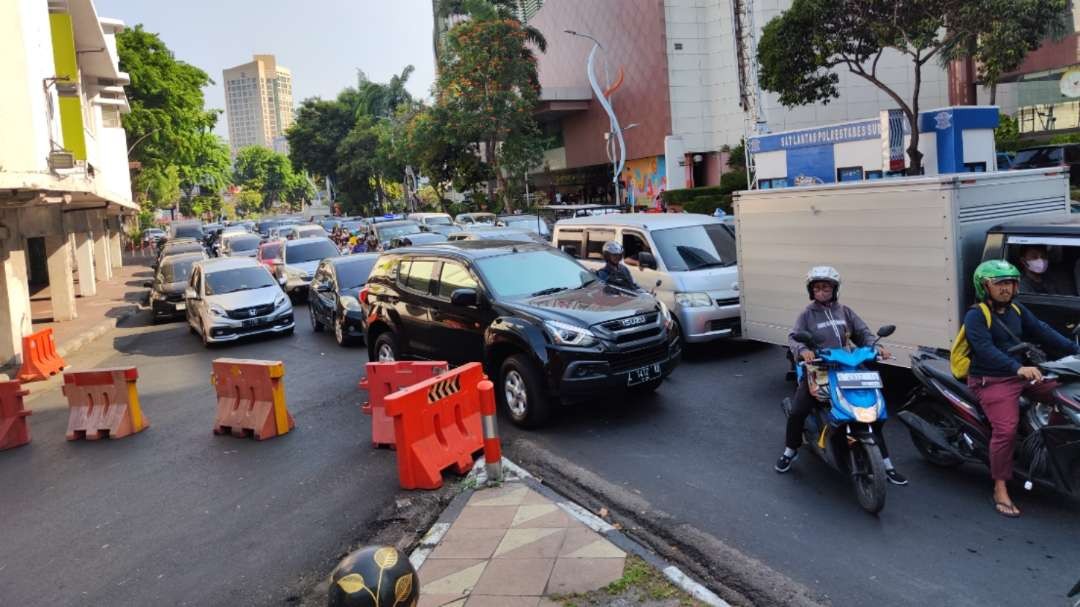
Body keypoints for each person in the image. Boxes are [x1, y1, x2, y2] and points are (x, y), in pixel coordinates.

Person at [964, 260, 1079, 518]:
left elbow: (1043, 331)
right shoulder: (976, 315)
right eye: (1000, 283)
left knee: (1063, 392)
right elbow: (985, 350)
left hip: (1022, 375)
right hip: (992, 380)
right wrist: (1016, 369)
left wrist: (1075, 351)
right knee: (1006, 430)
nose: (1007, 288)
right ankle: (1000, 486)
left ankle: (1044, 443)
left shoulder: (1016, 309)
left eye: (1011, 283)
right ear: (985, 286)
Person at [775, 266, 907, 485]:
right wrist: (803, 351)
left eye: (826, 287)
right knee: (799, 409)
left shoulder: (845, 311)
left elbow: (864, 333)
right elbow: (794, 338)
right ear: (811, 291)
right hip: (818, 369)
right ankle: (790, 450)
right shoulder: (806, 315)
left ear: (835, 289)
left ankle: (886, 465)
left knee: (872, 410)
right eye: (817, 287)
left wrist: (877, 347)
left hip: (848, 368)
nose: (821, 291)